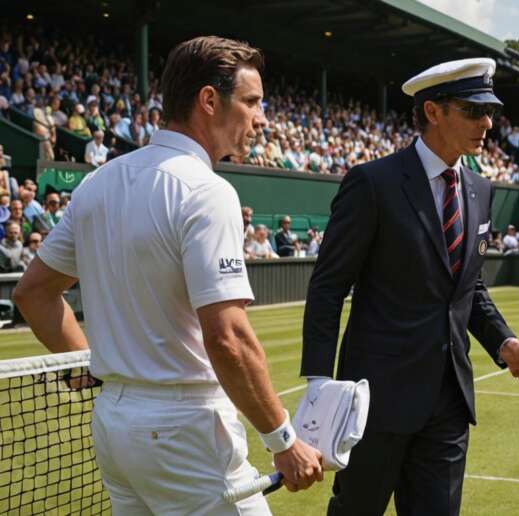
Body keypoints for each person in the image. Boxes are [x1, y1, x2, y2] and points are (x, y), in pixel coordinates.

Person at [12, 36, 323, 515]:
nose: (261, 118)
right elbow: (229, 339)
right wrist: (283, 438)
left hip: (115, 426)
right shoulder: (207, 192)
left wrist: (88, 367)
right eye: (252, 102)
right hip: (186, 433)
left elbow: (33, 294)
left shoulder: (99, 182)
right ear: (209, 100)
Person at [301, 58, 519, 516]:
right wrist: (319, 384)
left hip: (450, 402)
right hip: (377, 400)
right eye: (475, 111)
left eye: (491, 112)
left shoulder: (480, 188)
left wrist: (508, 343)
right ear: (434, 111)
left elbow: (467, 288)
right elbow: (327, 286)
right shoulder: (372, 183)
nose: (488, 124)